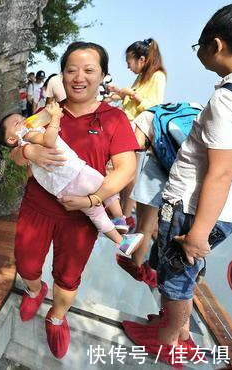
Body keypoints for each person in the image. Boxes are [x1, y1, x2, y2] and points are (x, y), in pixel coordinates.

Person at [122, 1, 232, 366]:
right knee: (181, 273)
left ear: (217, 45)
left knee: (177, 277)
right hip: (230, 206)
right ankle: (177, 331)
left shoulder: (231, 97)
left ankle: (168, 342)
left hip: (195, 209)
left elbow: (220, 172)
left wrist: (198, 234)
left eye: (200, 47)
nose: (200, 55)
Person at [10, 42, 139, 359]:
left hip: (81, 216)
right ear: (62, 74)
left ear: (103, 76)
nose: (78, 77)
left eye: (89, 70)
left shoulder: (114, 119)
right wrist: (29, 151)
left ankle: (56, 318)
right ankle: (34, 289)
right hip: (38, 207)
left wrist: (93, 199)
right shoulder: (46, 114)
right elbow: (15, 152)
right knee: (26, 265)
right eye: (71, 70)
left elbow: (126, 169)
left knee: (67, 277)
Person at [0, 102, 141, 255]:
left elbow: (25, 165)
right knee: (107, 186)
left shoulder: (24, 141)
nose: (24, 121)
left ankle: (121, 241)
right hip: (75, 174)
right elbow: (49, 141)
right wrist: (56, 117)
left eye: (22, 117)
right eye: (17, 123)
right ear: (12, 139)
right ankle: (119, 218)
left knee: (95, 214)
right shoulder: (28, 134)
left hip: (62, 189)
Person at [107, 38, 167, 221]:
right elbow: (129, 101)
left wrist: (132, 94)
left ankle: (122, 214)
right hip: (127, 126)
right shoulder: (142, 76)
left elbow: (154, 106)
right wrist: (120, 93)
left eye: (129, 62)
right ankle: (123, 214)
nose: (128, 67)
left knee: (124, 171)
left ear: (141, 60)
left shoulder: (157, 76)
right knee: (125, 171)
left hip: (138, 129)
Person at [115, 110, 164, 288]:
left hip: (156, 171)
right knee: (149, 225)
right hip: (173, 175)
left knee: (145, 225)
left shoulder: (146, 117)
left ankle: (134, 264)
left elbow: (135, 145)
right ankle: (136, 260)